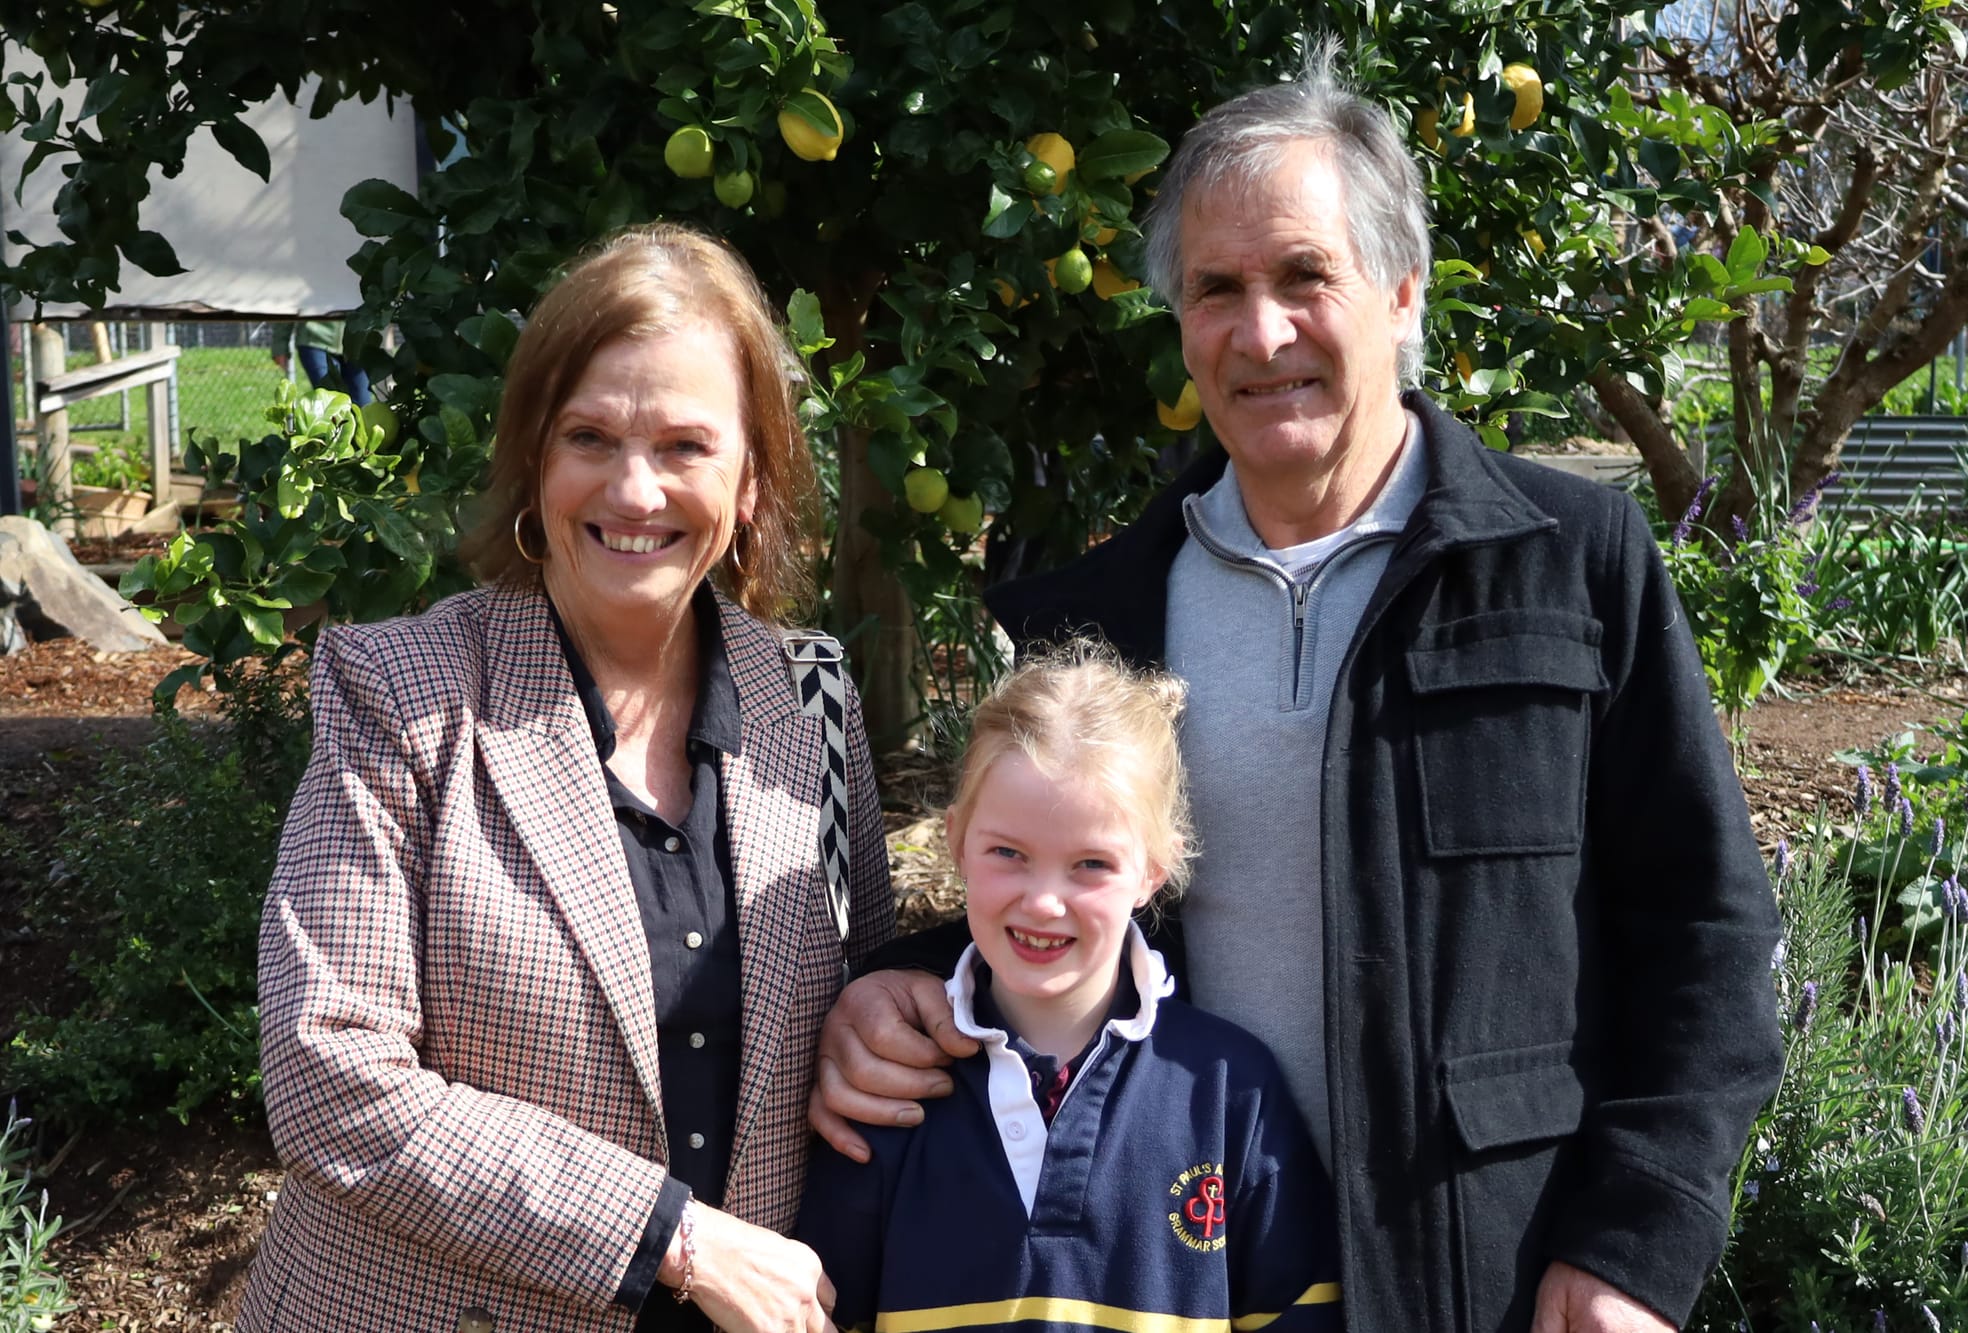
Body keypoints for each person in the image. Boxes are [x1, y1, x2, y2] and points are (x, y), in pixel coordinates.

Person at [808, 52, 1783, 1333]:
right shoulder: (1096, 617)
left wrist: (1634, 1243)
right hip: (1182, 1285)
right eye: (1216, 289)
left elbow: (1702, 932)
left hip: (1488, 1279)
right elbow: (1062, 886)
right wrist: (908, 980)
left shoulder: (1566, 566)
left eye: (1302, 276)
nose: (1259, 334)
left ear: (1398, 290)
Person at [237, 223, 895, 1333]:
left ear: (750, 485)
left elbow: (867, 1002)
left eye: (686, 445)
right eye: (589, 435)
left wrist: (899, 1008)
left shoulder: (814, 698)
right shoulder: (401, 693)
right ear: (534, 459)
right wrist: (673, 1237)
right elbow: (325, 1074)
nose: (634, 490)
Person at [794, 647, 1341, 1333]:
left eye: (1091, 863)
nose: (1045, 902)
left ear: (1153, 871)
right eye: (1009, 853)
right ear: (956, 839)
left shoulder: (1233, 1094)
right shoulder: (888, 1092)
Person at [270, 317, 371, 403]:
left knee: (363, 403)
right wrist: (279, 345)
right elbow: (291, 301)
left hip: (359, 341)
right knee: (330, 401)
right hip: (315, 340)